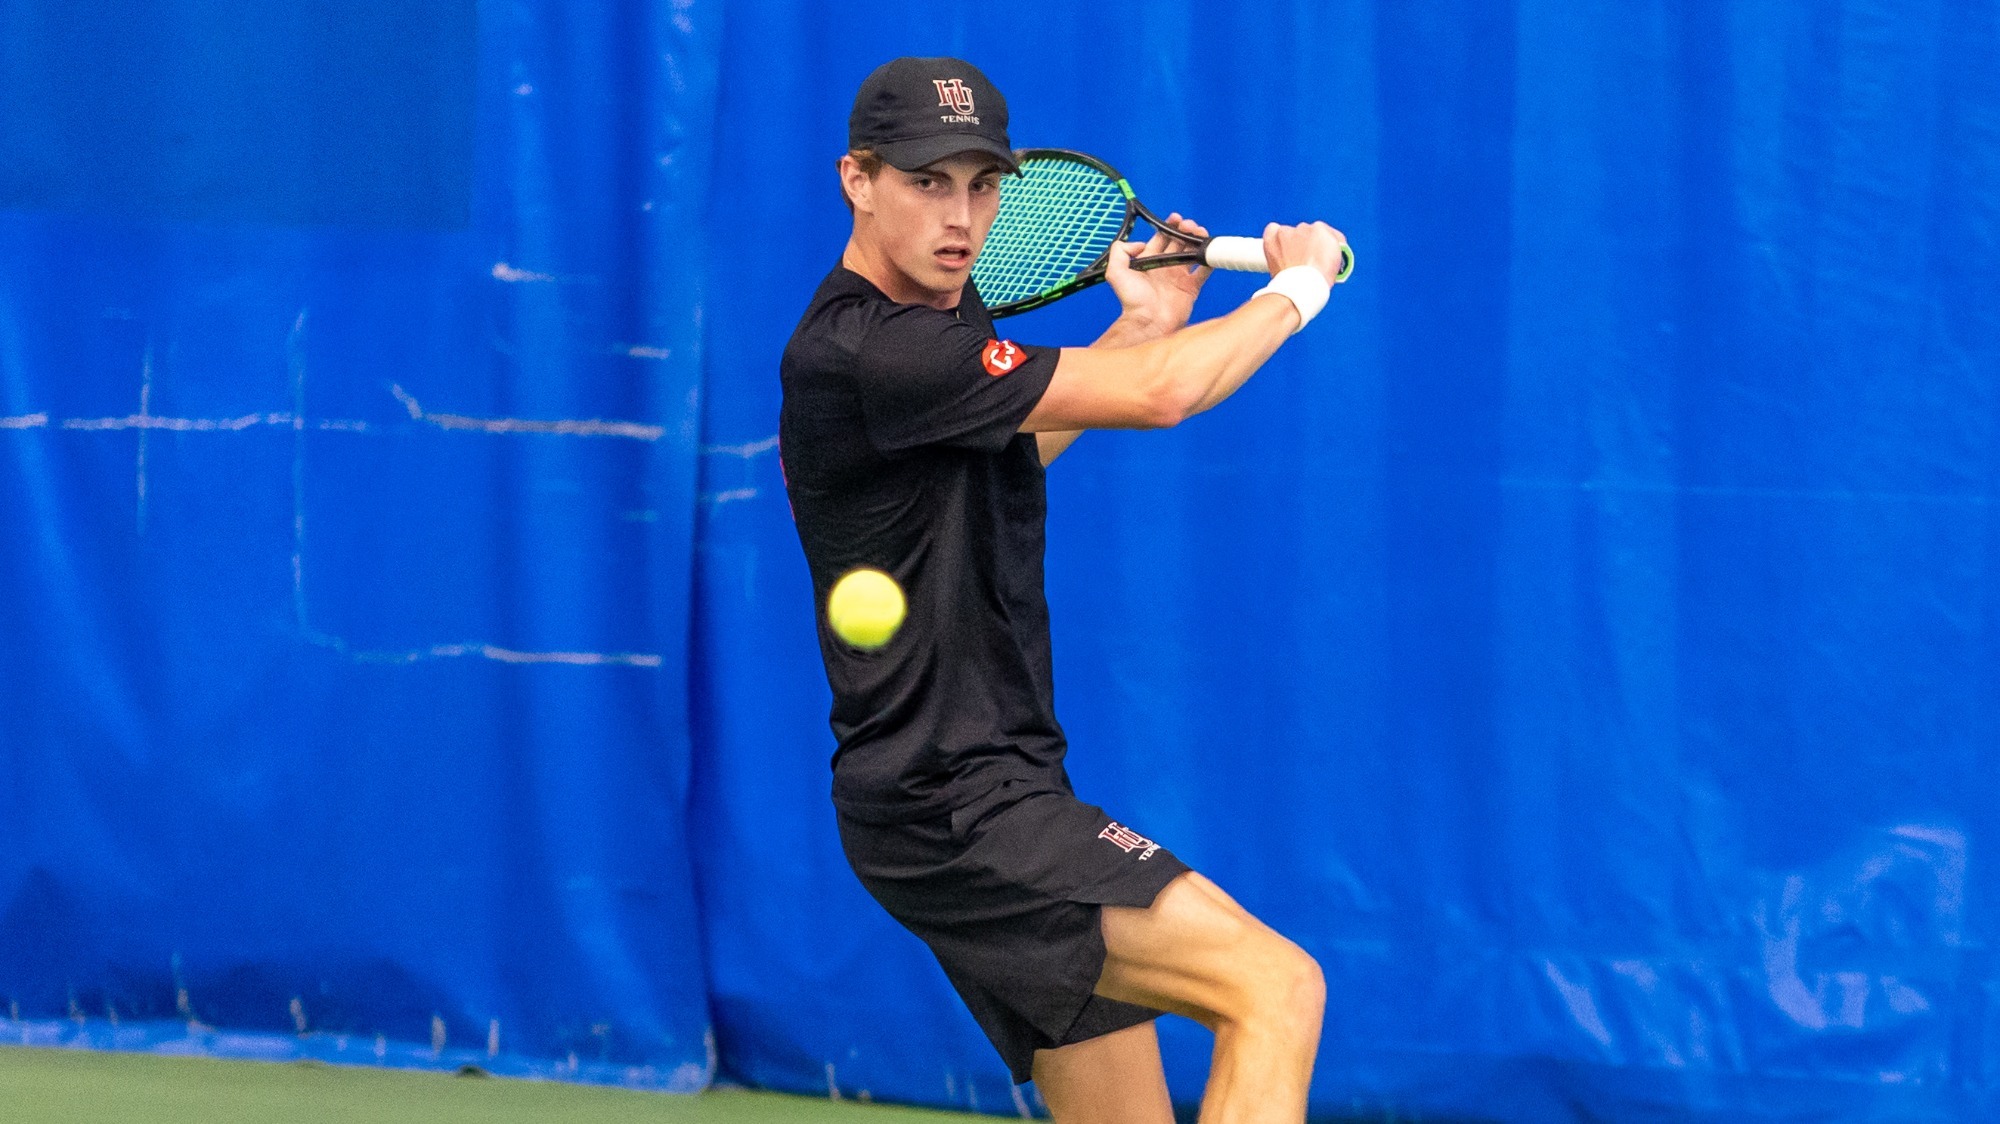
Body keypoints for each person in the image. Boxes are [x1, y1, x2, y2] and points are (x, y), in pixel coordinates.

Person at [778, 56, 1349, 1124]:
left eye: (981, 185)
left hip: (965, 794)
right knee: (1274, 985)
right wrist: (1296, 285)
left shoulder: (933, 331)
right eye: (925, 182)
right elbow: (1168, 398)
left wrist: (1143, 322)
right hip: (958, 806)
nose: (961, 216)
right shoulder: (874, 349)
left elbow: (1008, 455)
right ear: (856, 179)